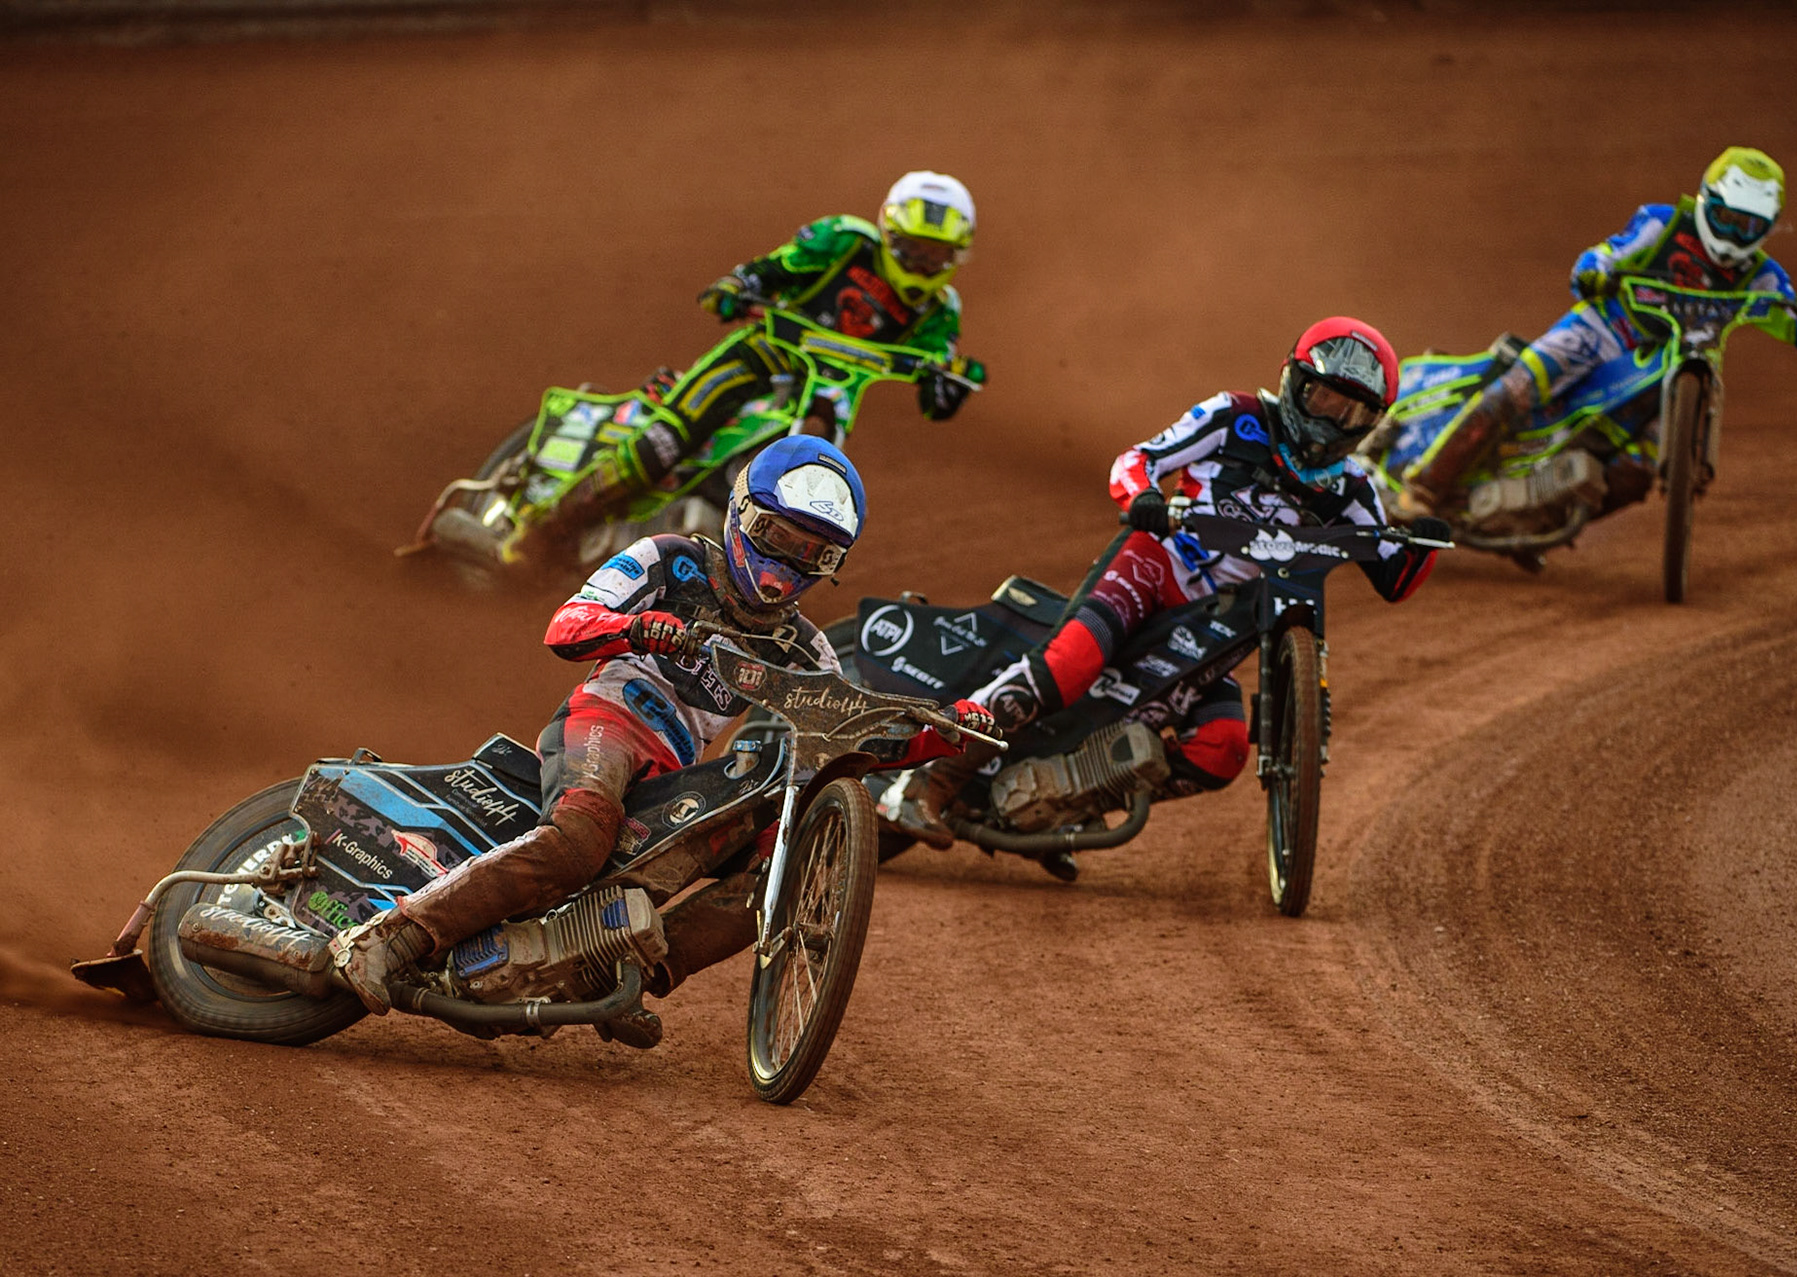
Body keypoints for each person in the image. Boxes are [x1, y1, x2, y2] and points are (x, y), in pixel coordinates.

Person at [335, 437, 992, 1041]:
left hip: (677, 771)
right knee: (579, 840)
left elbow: (848, 737)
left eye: (812, 555)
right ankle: (390, 936)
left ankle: (612, 980)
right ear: (740, 511)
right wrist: (640, 628)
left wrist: (950, 731)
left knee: (767, 883)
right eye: (775, 535)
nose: (783, 567)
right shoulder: (670, 559)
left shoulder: (807, 650)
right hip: (608, 719)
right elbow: (565, 625)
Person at [887, 318, 1446, 861]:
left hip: (1219, 630)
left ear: (1372, 420)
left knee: (1224, 748)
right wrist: (1143, 500)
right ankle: (925, 783)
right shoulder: (1235, 417)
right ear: (1295, 382)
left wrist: (1422, 540)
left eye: (1350, 410)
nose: (1331, 419)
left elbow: (1395, 576)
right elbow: (1138, 460)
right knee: (1069, 664)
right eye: (1323, 398)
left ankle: (1067, 798)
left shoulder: (1352, 487)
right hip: (1156, 569)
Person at [502, 170, 987, 567]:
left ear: (956, 255)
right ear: (888, 233)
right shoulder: (842, 240)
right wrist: (738, 284)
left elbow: (937, 376)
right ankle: (544, 526)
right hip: (760, 359)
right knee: (667, 440)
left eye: (936, 255)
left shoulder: (941, 311)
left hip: (823, 398)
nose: (923, 264)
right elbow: (774, 268)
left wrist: (946, 389)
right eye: (914, 249)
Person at [1389, 146, 1797, 521]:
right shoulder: (1662, 225)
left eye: (1751, 226)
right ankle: (1423, 490)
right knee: (1517, 389)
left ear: (1770, 225)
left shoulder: (1762, 276)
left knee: (1635, 473)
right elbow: (1605, 254)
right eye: (1727, 218)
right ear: (1705, 201)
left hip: (1679, 365)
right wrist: (1594, 275)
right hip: (1602, 331)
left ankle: (1530, 522)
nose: (1736, 235)